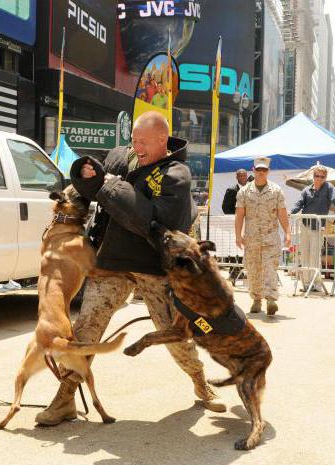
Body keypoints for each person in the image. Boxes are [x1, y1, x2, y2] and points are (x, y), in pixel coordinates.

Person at [34, 111, 225, 426]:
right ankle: (64, 398)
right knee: (87, 328)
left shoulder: (176, 173)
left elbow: (161, 220)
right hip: (114, 261)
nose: (137, 147)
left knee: (174, 336)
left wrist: (110, 187)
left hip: (154, 267)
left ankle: (200, 382)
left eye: (144, 142)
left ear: (163, 140)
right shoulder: (119, 158)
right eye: (134, 140)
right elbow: (89, 191)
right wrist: (83, 179)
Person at [235, 157, 291, 315]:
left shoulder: (276, 190)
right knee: (253, 270)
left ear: (268, 171)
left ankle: (271, 300)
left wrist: (287, 232)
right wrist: (238, 235)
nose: (261, 172)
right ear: (253, 170)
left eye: (264, 170)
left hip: (270, 238)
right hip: (251, 238)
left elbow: (282, 213)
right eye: (258, 169)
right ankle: (256, 299)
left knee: (270, 269)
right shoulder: (244, 192)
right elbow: (239, 215)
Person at [291, 165, 335, 291]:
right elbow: (298, 204)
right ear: (313, 176)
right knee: (304, 255)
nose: (319, 179)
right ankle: (305, 284)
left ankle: (316, 284)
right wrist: (290, 213)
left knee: (315, 256)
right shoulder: (306, 190)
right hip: (305, 225)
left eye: (322, 177)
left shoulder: (329, 187)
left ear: (325, 177)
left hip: (318, 226)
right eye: (317, 176)